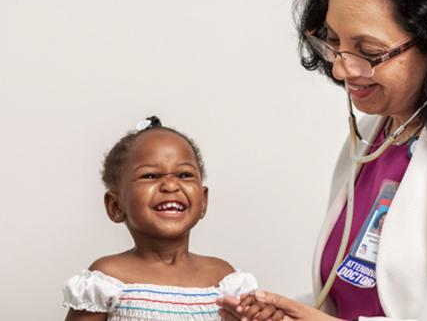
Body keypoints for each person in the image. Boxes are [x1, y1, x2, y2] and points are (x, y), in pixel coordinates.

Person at [216, 0, 427, 320]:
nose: (340, 69)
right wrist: (284, 314)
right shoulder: (369, 134)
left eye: (368, 51)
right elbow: (356, 300)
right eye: (333, 41)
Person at [62, 117, 284, 321]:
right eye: (150, 176)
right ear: (116, 206)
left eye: (184, 175)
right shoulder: (107, 279)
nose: (171, 185)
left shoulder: (225, 280)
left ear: (203, 201)